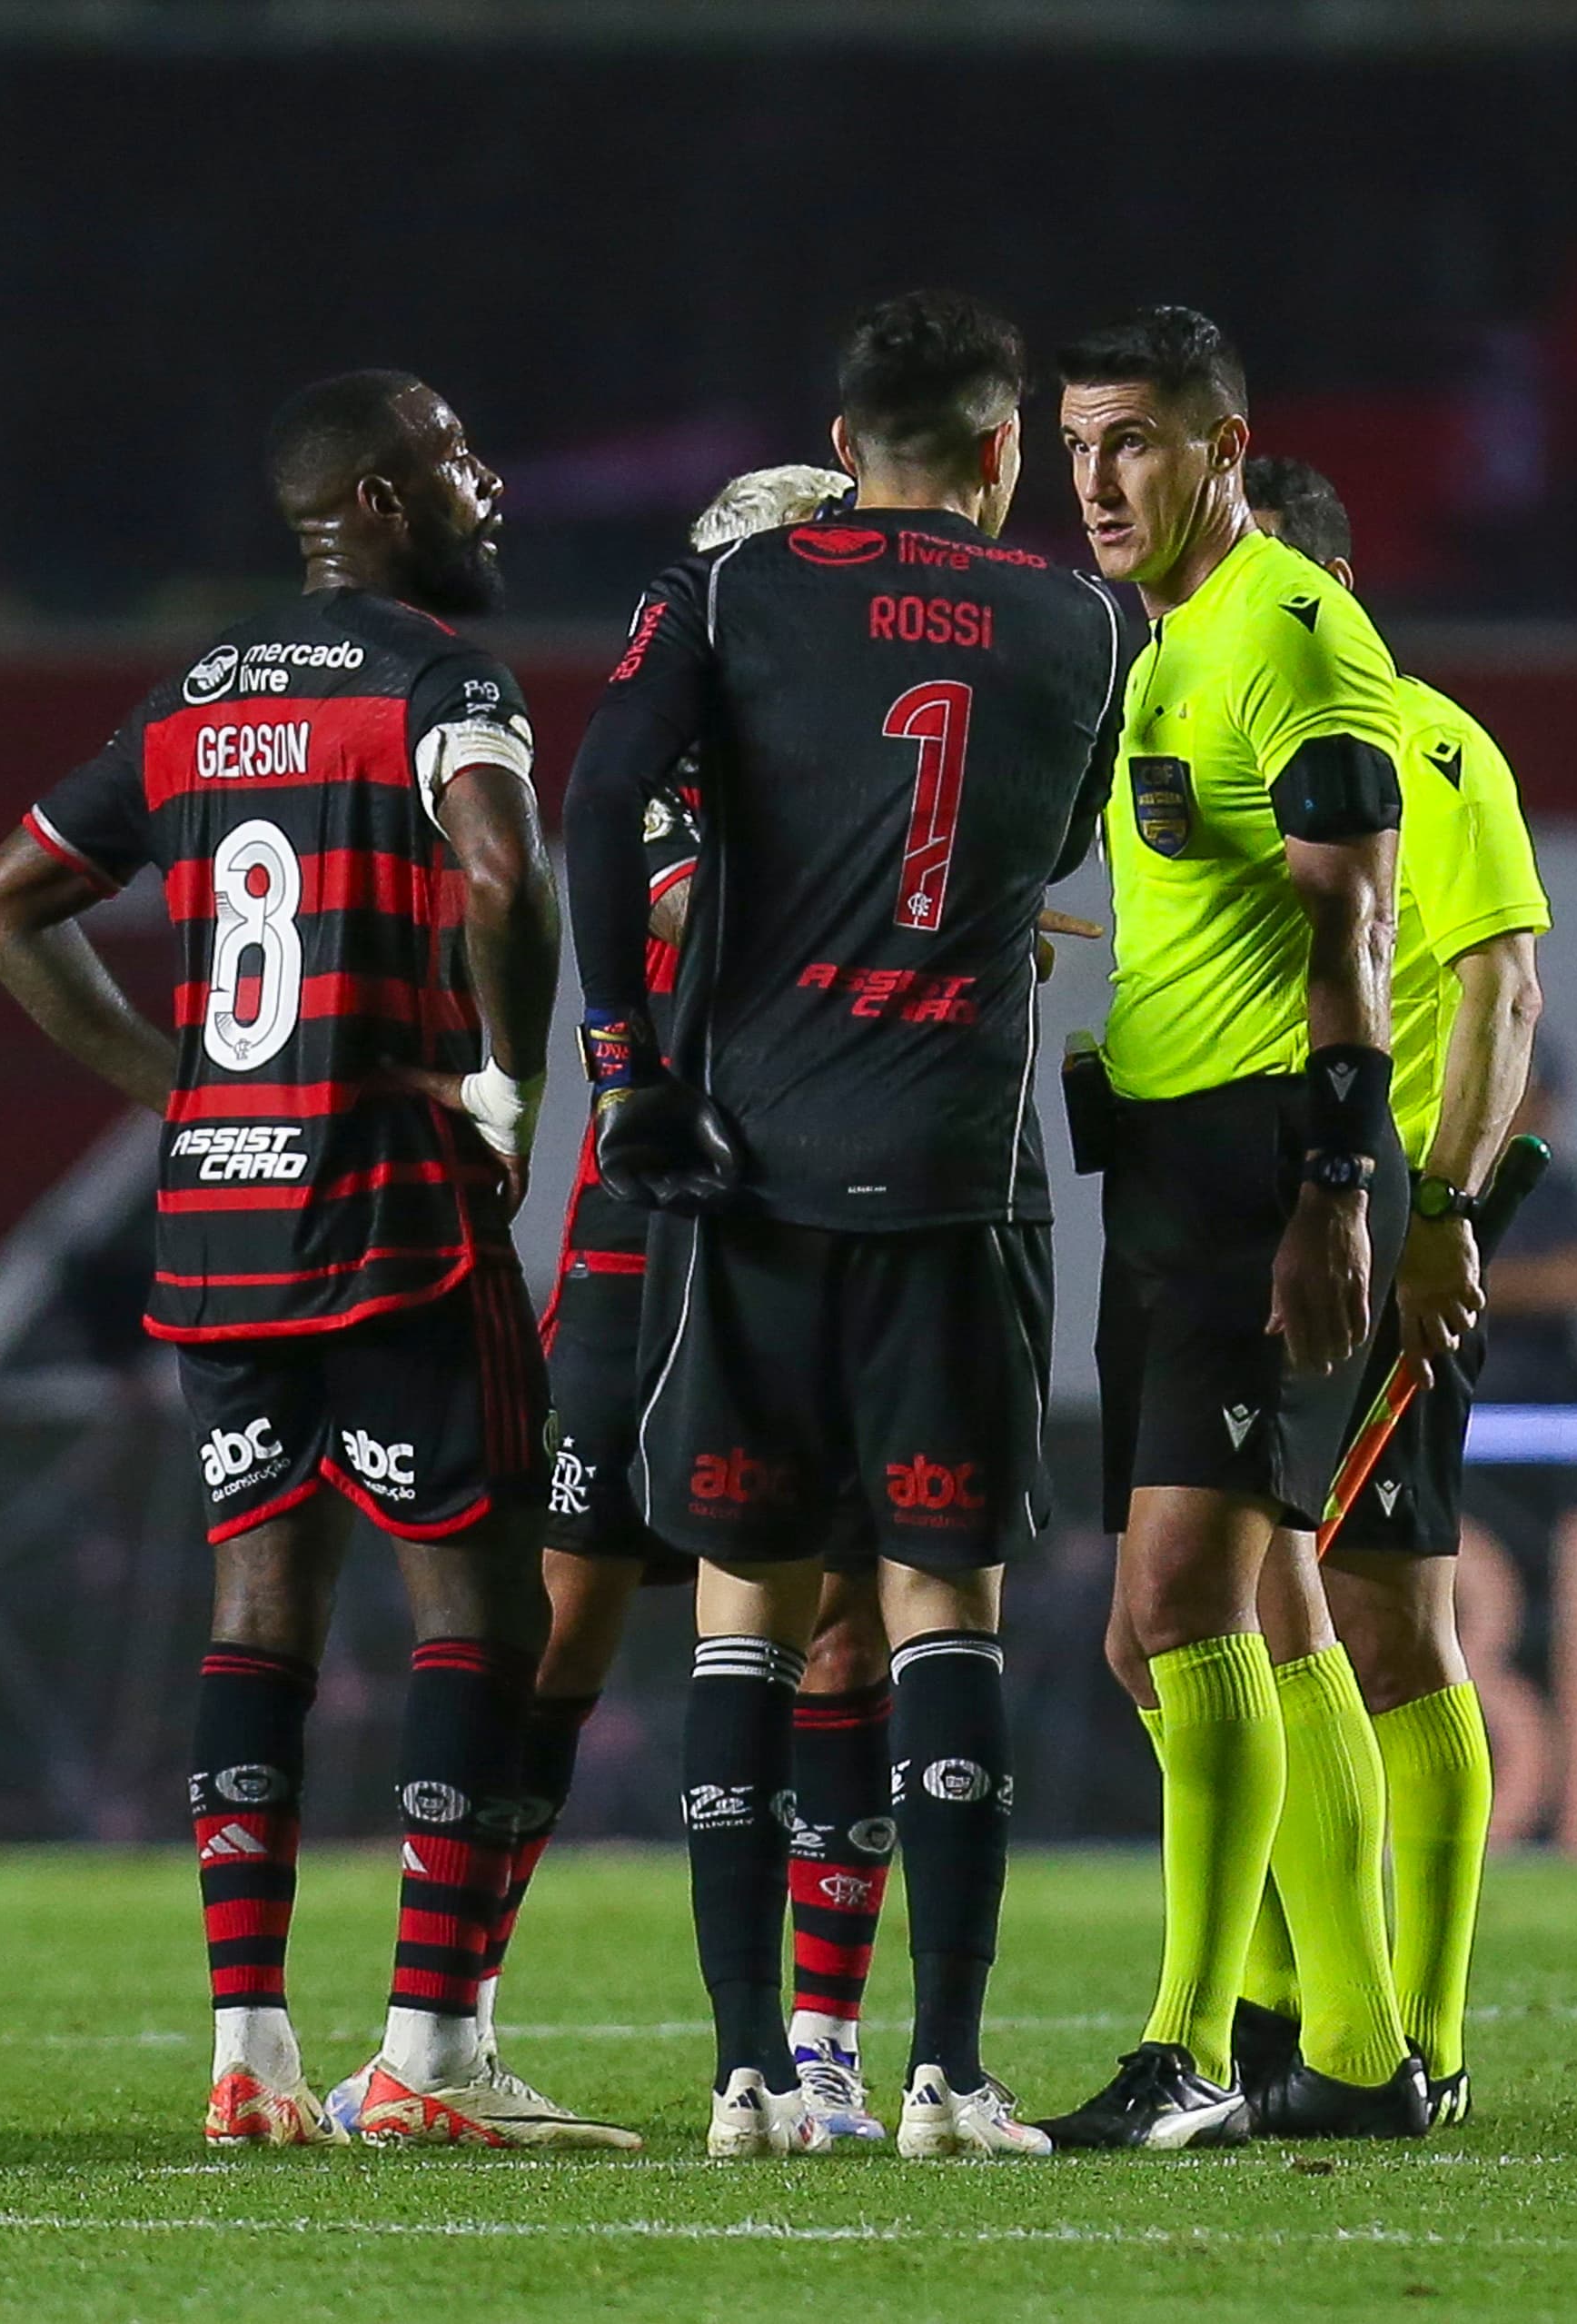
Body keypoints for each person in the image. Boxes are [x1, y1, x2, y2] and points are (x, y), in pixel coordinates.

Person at [0, 371, 631, 2150]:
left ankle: (248, 2050)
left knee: (261, 1608)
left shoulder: (190, 696)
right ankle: (427, 2052)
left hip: (227, 1215)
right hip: (393, 1198)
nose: (493, 484)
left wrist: (178, 1088)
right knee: (476, 1606)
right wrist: (513, 1082)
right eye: (463, 460)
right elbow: (502, 873)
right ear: (386, 500)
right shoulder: (438, 676)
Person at [565, 292, 1120, 2160]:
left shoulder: (732, 594)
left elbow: (599, 801)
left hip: (754, 1172)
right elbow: (1045, 855)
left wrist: (627, 1065)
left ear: (841, 432)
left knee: (746, 1615)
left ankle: (745, 2078)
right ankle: (948, 2073)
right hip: (960, 1180)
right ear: (997, 449)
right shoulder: (1080, 618)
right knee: (939, 1610)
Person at [488, 462, 925, 2151]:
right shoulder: (663, 772)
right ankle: (450, 2016)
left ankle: (819, 2043)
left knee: (835, 1621)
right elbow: (674, 923)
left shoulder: (861, 778)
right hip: (639, 1230)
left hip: (809, 1225)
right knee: (569, 1613)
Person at [1044, 307, 1414, 2150]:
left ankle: (1196, 2048)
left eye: (1132, 442)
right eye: (1077, 441)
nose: (1095, 478)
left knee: (1176, 1603)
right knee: (1226, 1620)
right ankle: (1353, 2043)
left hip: (1275, 1169)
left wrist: (1341, 1191)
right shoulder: (1168, 643)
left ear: (1224, 448)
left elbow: (1358, 922)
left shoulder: (1291, 636)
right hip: (1183, 1177)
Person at [1224, 453, 1549, 2130]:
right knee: (1253, 1613)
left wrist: (1446, 1210)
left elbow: (1505, 985)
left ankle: (1408, 2023)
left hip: (1375, 1248)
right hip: (1261, 1237)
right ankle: (1289, 2006)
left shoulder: (1429, 744)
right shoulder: (1232, 743)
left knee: (1380, 1624)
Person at [1473, 1048, 1577, 1406]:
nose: (1534, 1114)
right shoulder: (1452, 1180)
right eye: (1522, 1100)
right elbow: (1433, 1280)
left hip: (1555, 1384)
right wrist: (1546, 1284)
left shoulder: (1563, 1190)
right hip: (1475, 1381)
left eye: (1543, 1101)